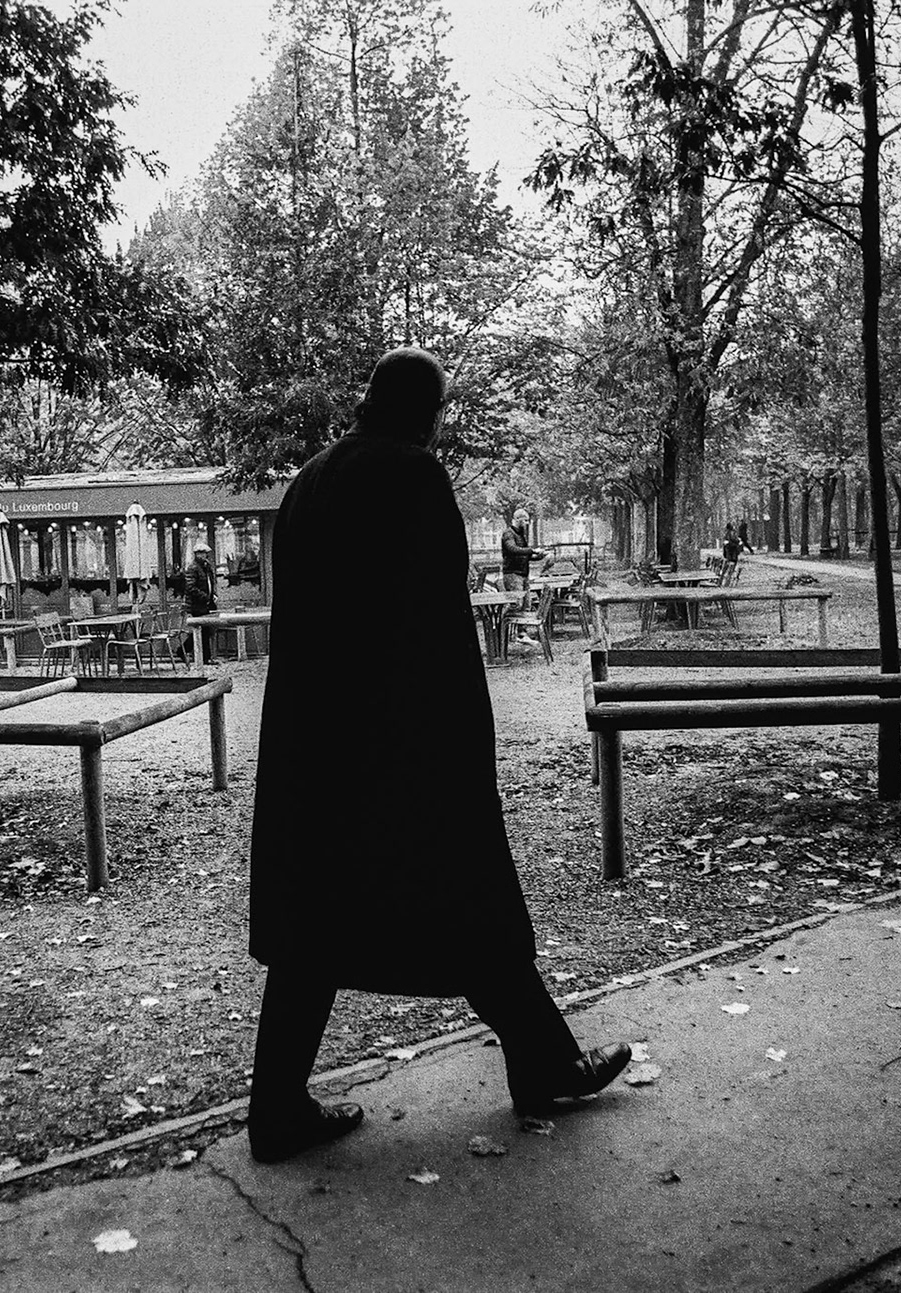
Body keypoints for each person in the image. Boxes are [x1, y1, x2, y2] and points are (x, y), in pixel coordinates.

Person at [246, 346, 632, 1165]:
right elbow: (437, 627)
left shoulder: (309, 482)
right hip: (403, 745)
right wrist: (464, 745)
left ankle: (277, 1105)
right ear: (428, 412)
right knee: (472, 901)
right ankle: (545, 1062)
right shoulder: (415, 477)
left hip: (317, 746)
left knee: (315, 924)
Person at [500, 507, 548, 646]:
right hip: (512, 574)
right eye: (525, 520)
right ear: (517, 519)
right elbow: (513, 549)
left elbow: (525, 555)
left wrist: (538, 556)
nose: (527, 523)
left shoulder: (521, 535)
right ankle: (503, 629)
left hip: (523, 574)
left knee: (526, 605)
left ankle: (522, 634)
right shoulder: (508, 534)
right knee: (516, 604)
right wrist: (532, 550)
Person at [183, 542, 219, 662]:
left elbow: (210, 582)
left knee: (205, 630)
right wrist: (205, 596)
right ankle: (184, 650)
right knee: (202, 629)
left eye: (205, 553)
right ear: (197, 554)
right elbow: (190, 587)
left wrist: (213, 594)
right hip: (196, 604)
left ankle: (204, 657)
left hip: (205, 603)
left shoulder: (206, 566)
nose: (204, 556)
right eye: (202, 553)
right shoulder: (193, 568)